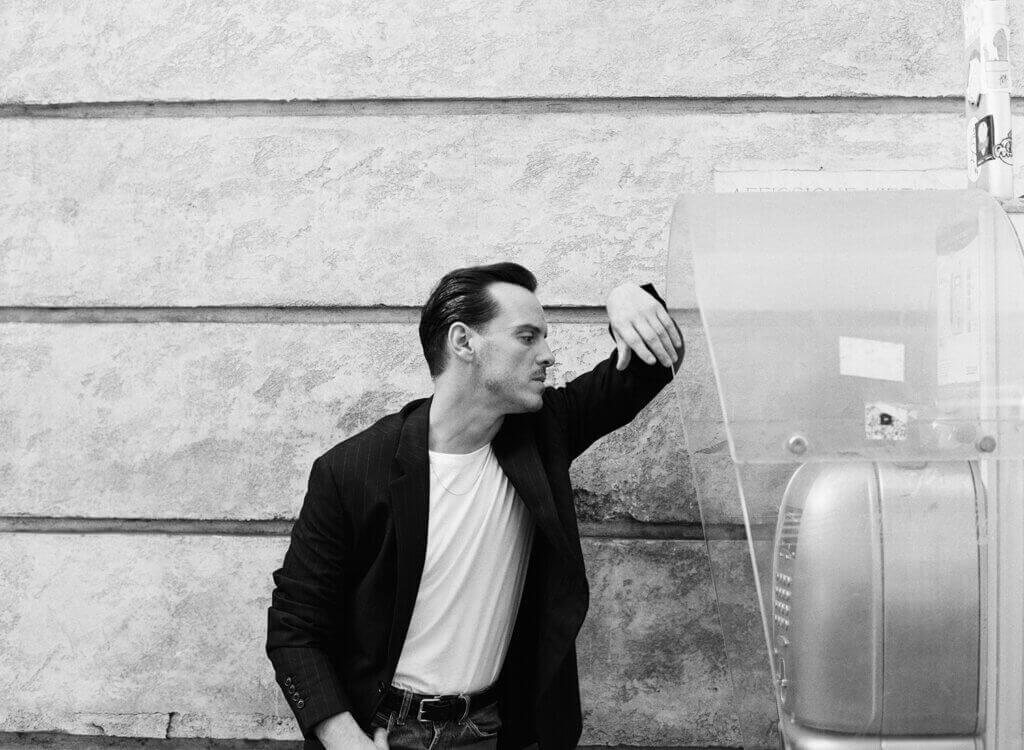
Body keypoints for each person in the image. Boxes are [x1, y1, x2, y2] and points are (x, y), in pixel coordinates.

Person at [266, 262, 684, 749]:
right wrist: (345, 741)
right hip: (380, 731)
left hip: (491, 729)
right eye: (527, 337)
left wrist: (628, 296)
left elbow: (654, 362)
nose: (548, 356)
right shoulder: (352, 471)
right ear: (464, 342)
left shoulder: (543, 434)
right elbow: (295, 627)